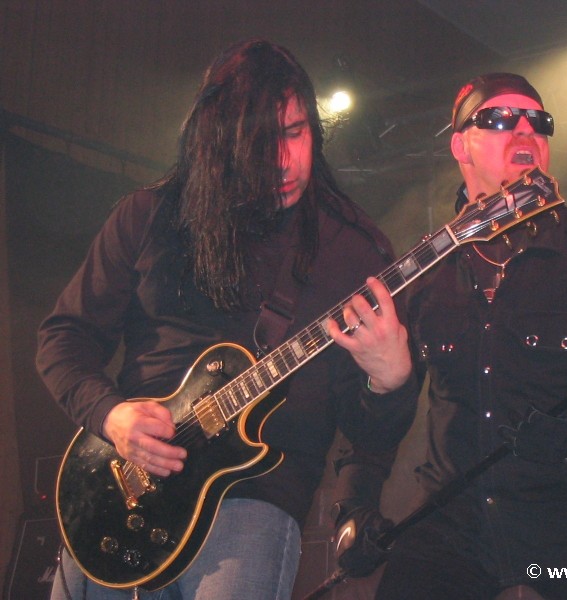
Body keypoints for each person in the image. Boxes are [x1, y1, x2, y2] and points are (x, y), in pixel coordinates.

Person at [36, 39, 417, 600]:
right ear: (219, 143)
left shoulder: (353, 251)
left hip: (254, 502)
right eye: (260, 144)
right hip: (121, 487)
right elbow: (64, 337)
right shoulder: (151, 214)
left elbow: (367, 439)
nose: (283, 161)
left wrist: (390, 381)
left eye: (295, 132)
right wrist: (110, 415)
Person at [372, 73, 567, 599]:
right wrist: (354, 498)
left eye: (539, 122)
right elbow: (377, 420)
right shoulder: (425, 273)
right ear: (460, 146)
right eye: (500, 118)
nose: (525, 130)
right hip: (451, 527)